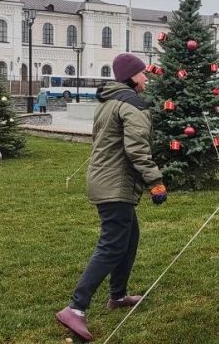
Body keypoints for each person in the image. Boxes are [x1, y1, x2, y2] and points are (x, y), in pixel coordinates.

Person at [55, 53, 167, 342]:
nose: (146, 78)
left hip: (102, 180)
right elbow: (137, 150)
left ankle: (117, 295)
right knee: (112, 244)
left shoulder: (108, 101)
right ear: (131, 76)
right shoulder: (132, 105)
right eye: (143, 74)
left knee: (129, 238)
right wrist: (155, 182)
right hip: (115, 185)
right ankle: (75, 308)